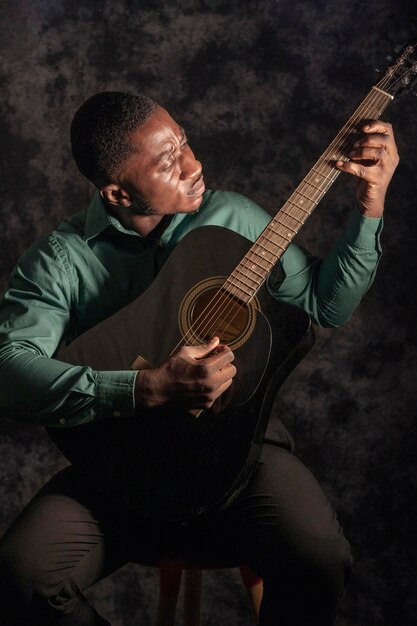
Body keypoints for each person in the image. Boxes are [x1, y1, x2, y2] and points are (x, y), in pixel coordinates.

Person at [0, 91, 398, 626]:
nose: (193, 164)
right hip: (122, 472)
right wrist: (146, 388)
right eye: (167, 161)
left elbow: (325, 304)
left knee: (319, 558)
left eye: (184, 141)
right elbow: (8, 367)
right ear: (117, 192)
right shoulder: (62, 260)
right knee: (20, 573)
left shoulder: (233, 216)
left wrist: (370, 205)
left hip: (241, 460)